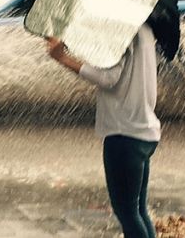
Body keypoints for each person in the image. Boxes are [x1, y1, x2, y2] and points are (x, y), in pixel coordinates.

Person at [45, 23, 160, 238]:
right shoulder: (143, 28)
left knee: (127, 212)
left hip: (124, 134)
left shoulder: (120, 30)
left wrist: (62, 58)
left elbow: (108, 77)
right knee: (137, 211)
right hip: (142, 130)